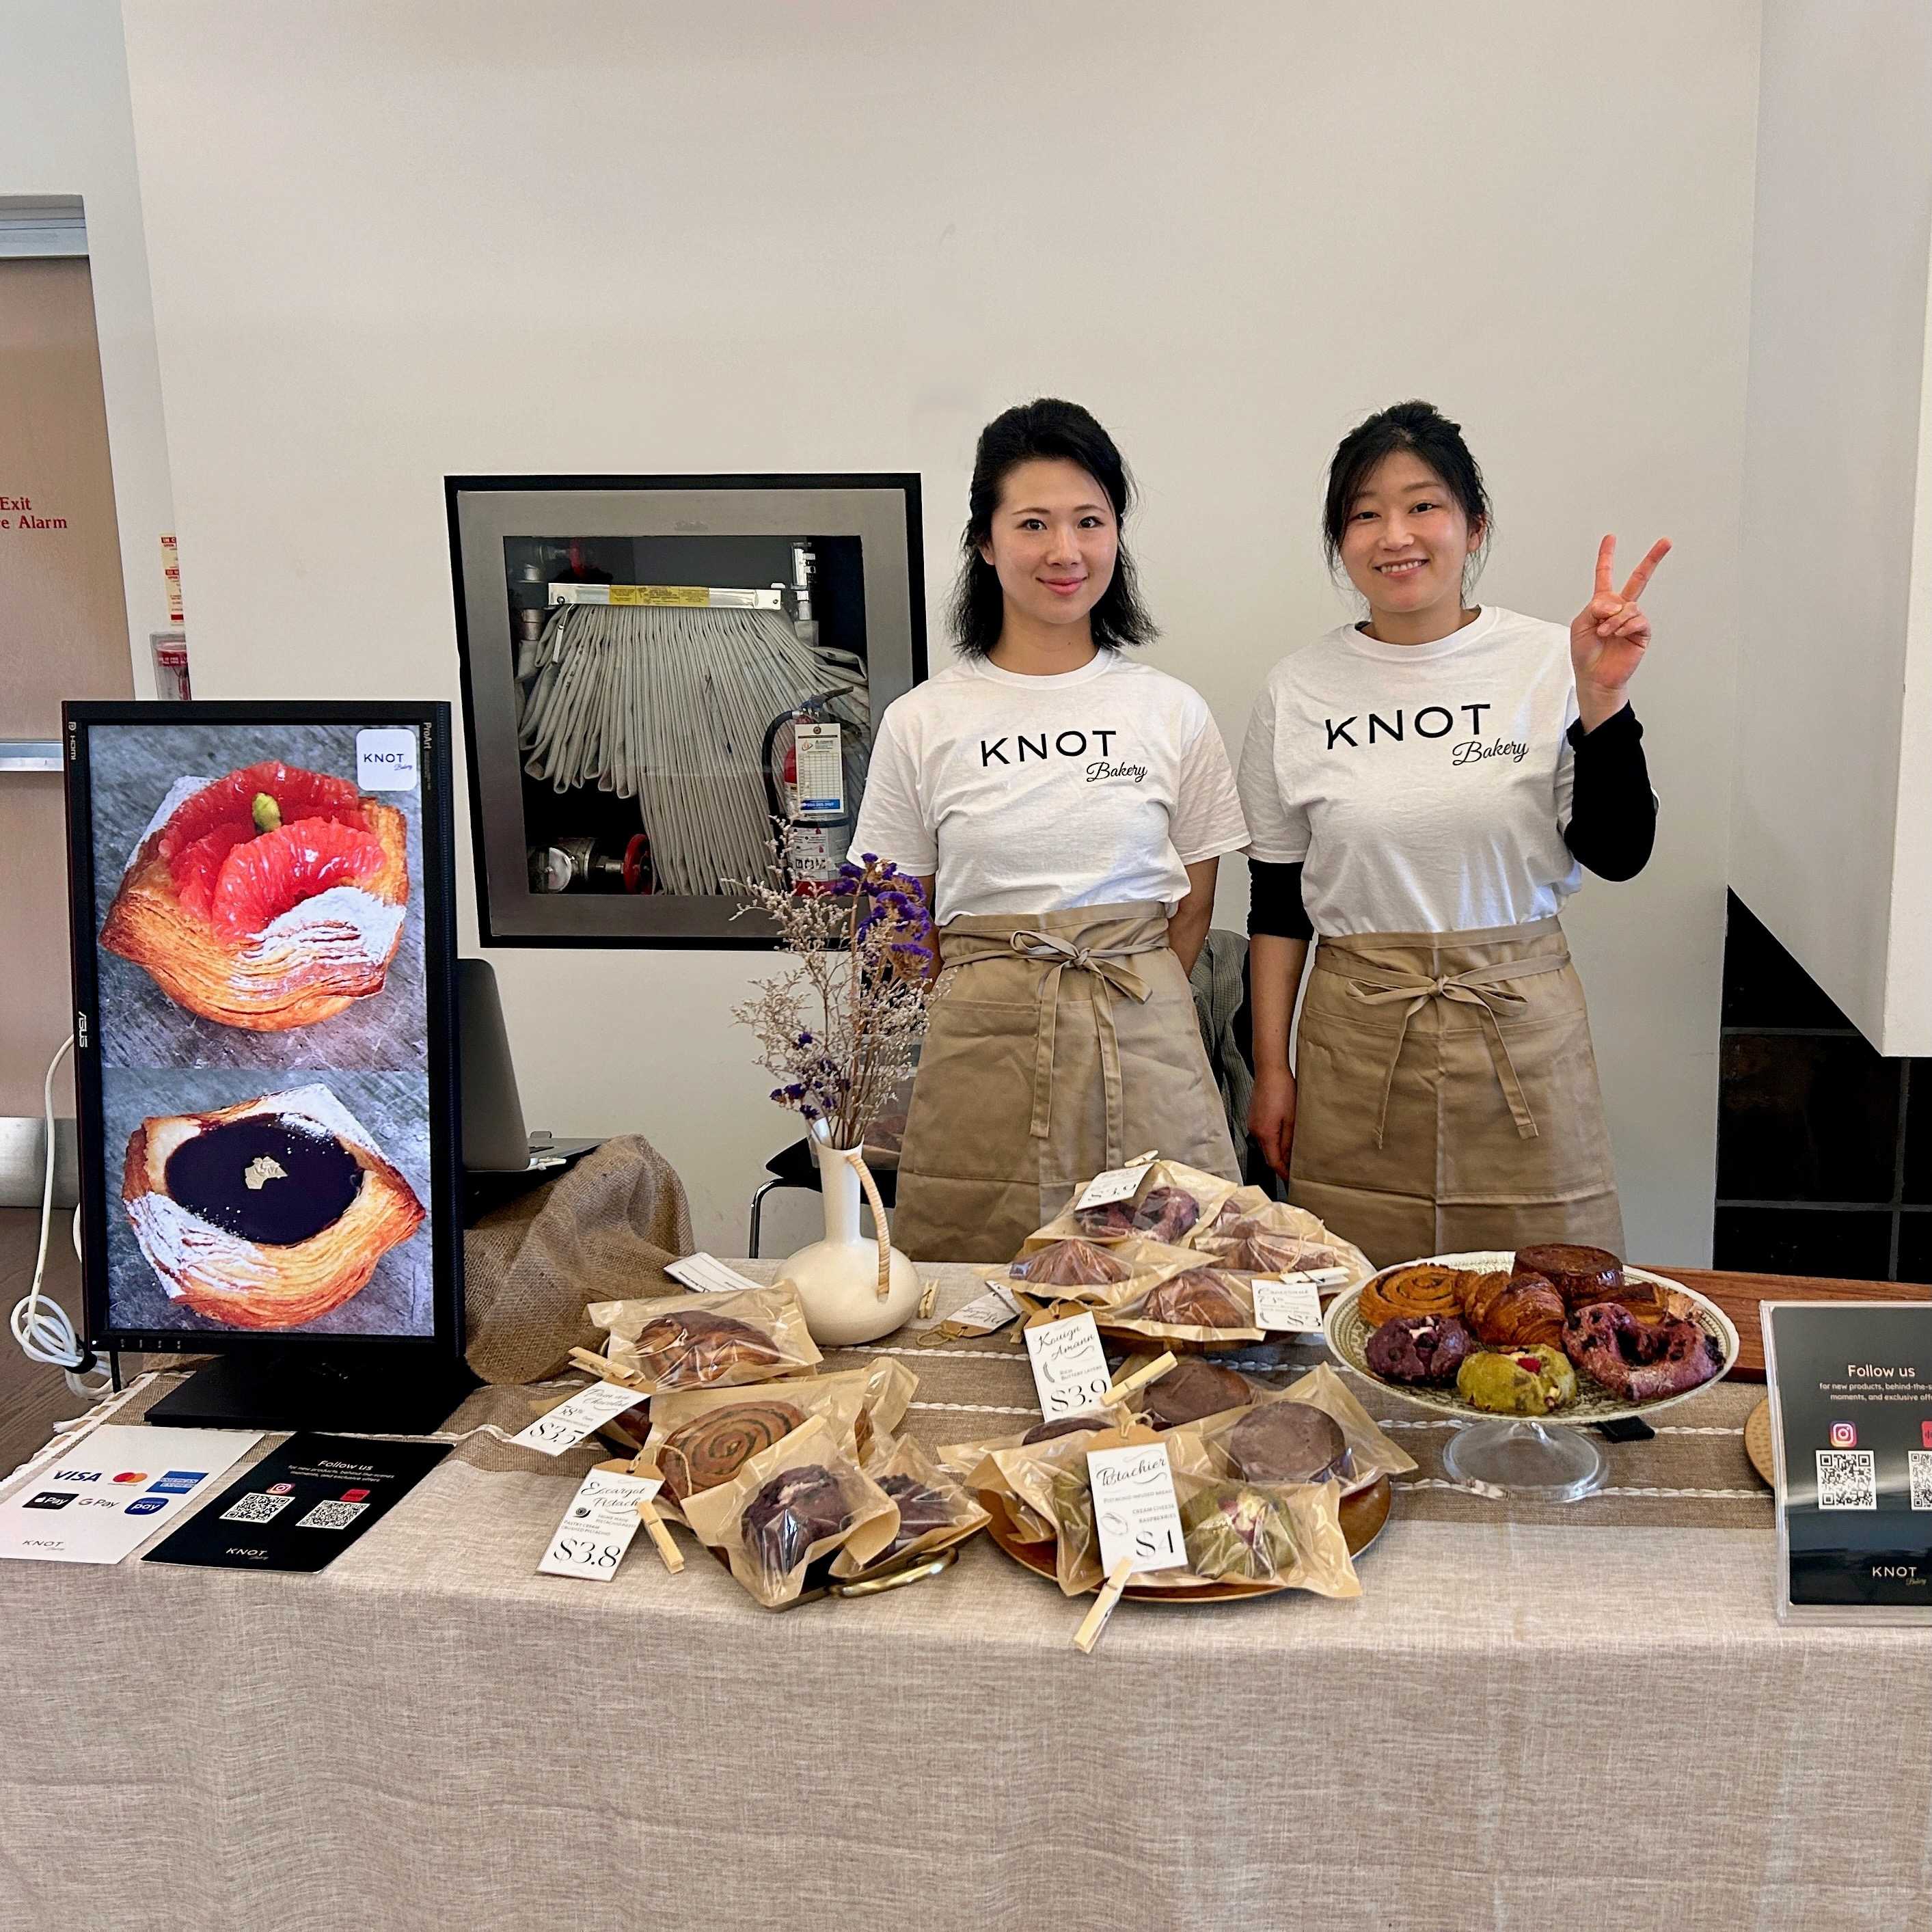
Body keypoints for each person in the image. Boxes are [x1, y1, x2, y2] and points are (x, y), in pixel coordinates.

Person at [1238, 400, 1665, 1264]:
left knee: (1546, 1292)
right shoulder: (1298, 689)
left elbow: (1620, 853)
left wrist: (1603, 703)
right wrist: (1272, 1069)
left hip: (1518, 1027)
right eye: (1364, 513)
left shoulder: (1555, 659)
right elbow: (1277, 904)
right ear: (1340, 541)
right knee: (1358, 1297)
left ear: (1474, 527)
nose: (1395, 534)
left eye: (1422, 505)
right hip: (1357, 1040)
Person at [852, 398, 1249, 1262]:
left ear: (1116, 537)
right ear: (986, 543)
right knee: (978, 1281)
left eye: (1089, 522)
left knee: (1171, 1280)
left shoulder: (1170, 710)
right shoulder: (923, 720)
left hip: (1144, 1032)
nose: (1064, 551)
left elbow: (1194, 900)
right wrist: (992, 1007)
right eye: (1033, 523)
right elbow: (898, 916)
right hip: (980, 1051)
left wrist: (1114, 994)